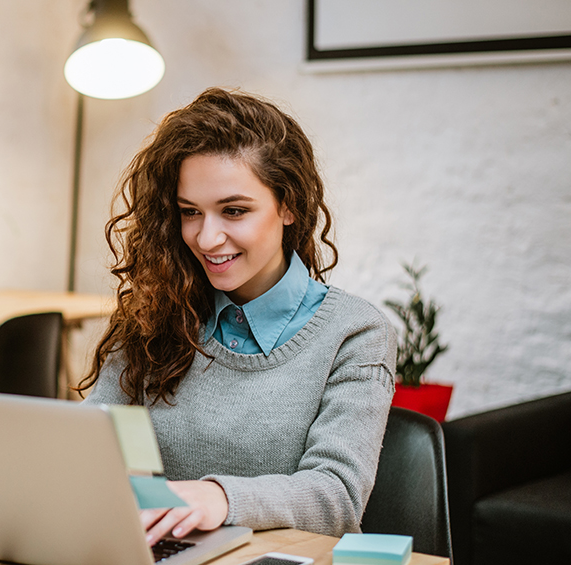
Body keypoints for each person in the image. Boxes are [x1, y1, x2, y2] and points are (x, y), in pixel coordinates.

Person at [77, 87, 396, 545]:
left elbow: (336, 495)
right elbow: (91, 442)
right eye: (190, 212)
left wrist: (218, 498)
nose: (207, 238)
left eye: (234, 211)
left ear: (288, 206)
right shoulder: (156, 313)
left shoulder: (356, 334)